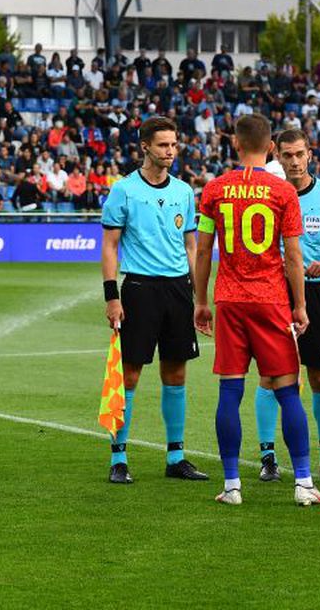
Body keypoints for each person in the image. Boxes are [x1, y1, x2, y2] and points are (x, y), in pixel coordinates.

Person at [194, 113, 320, 507]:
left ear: (235, 145)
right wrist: (300, 306)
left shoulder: (214, 189)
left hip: (231, 300)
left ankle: (232, 485)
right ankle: (303, 483)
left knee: (230, 391)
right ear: (271, 148)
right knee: (287, 392)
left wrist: (200, 301)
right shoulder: (283, 191)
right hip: (270, 300)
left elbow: (203, 250)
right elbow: (293, 256)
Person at [100, 116, 206, 485]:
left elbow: (191, 246)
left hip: (178, 291)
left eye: (174, 144)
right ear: (144, 146)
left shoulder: (183, 191)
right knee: (129, 375)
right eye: (163, 145)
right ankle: (118, 457)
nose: (170, 151)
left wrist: (199, 296)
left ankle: (175, 457)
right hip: (140, 290)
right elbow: (110, 246)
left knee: (176, 373)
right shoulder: (124, 190)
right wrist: (112, 297)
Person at [256, 129, 320, 482]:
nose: (295, 161)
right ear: (278, 157)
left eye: (300, 154)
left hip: (316, 291)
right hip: (275, 294)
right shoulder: (269, 196)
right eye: (287, 155)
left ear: (310, 154)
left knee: (319, 375)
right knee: (271, 375)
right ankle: (267, 456)